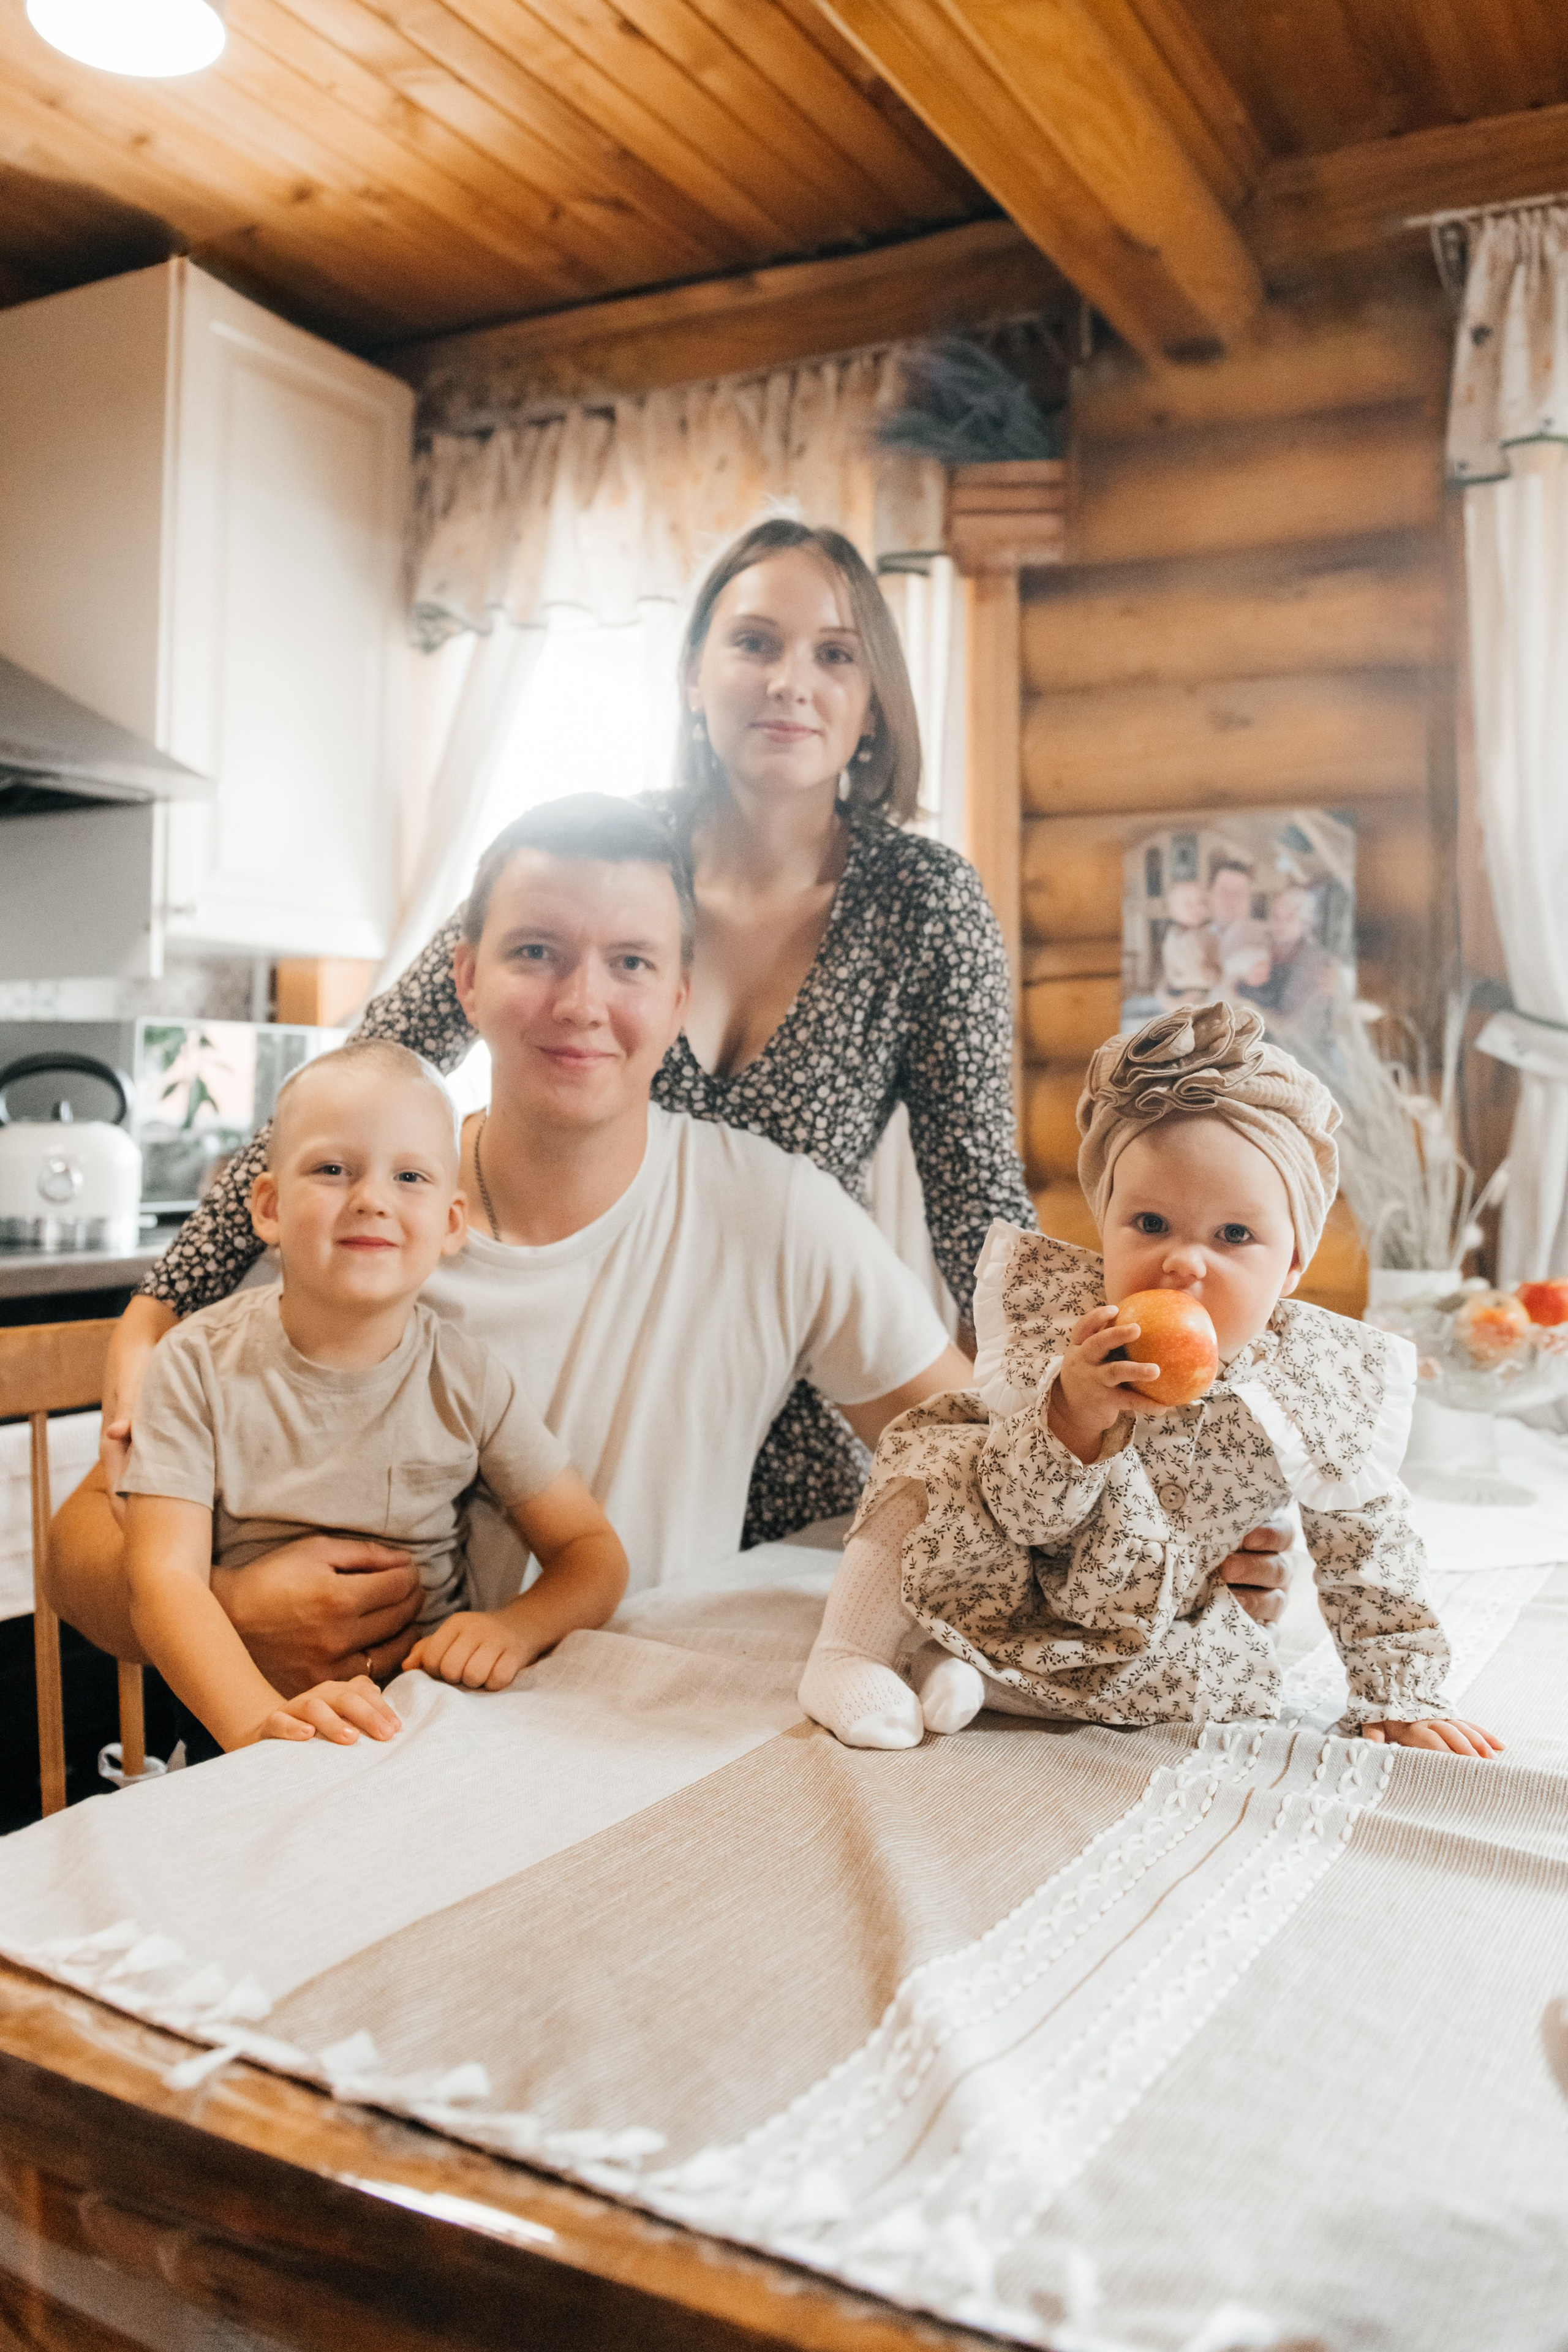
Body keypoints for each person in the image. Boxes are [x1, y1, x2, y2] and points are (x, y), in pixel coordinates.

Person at [111, 519, 1033, 1555]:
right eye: (755, 643)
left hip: (805, 1446)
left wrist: (1061, 1454)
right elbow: (356, 1089)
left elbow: (982, 1213)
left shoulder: (925, 904)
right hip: (552, 1431)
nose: (789, 681)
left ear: (875, 702)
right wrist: (159, 1308)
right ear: (693, 676)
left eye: (835, 654)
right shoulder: (603, 867)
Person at [50, 797, 978, 1676]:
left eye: (631, 963)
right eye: (537, 952)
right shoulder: (352, 1221)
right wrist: (225, 1608)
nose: (581, 1002)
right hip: (358, 1748)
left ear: (679, 998)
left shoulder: (775, 1215)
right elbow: (73, 1553)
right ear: (467, 979)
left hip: (623, 1743)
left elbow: (978, 1469)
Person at [799, 1003, 1502, 1763]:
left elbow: (1367, 1549)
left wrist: (1398, 1694)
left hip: (1142, 1607)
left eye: (1234, 1235)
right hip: (1012, 1564)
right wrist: (1073, 1413)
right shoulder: (1069, 1338)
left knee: (1232, 1677)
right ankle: (850, 1653)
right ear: (1105, 1225)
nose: (1183, 1262)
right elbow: (1022, 1515)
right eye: (1150, 1224)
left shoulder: (1312, 1384)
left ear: (1291, 1266)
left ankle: (971, 1674)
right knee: (936, 1455)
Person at [121, 1039, 626, 1755]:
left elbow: (591, 1553)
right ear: (268, 1207)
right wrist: (258, 1725)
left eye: (410, 1176)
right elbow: (162, 1581)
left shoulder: (469, 1377)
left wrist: (515, 1628)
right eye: (332, 1169)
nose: (371, 1199)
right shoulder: (193, 1364)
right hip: (240, 1735)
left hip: (425, 1728)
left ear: (450, 1225)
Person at [1157, 878, 1221, 1009]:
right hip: (1182, 993)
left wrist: (1215, 972)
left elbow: (1218, 963)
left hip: (1208, 992)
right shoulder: (1175, 937)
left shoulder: (1210, 935)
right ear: (1173, 911)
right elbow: (1171, 971)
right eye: (1188, 905)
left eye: (1201, 903)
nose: (1197, 909)